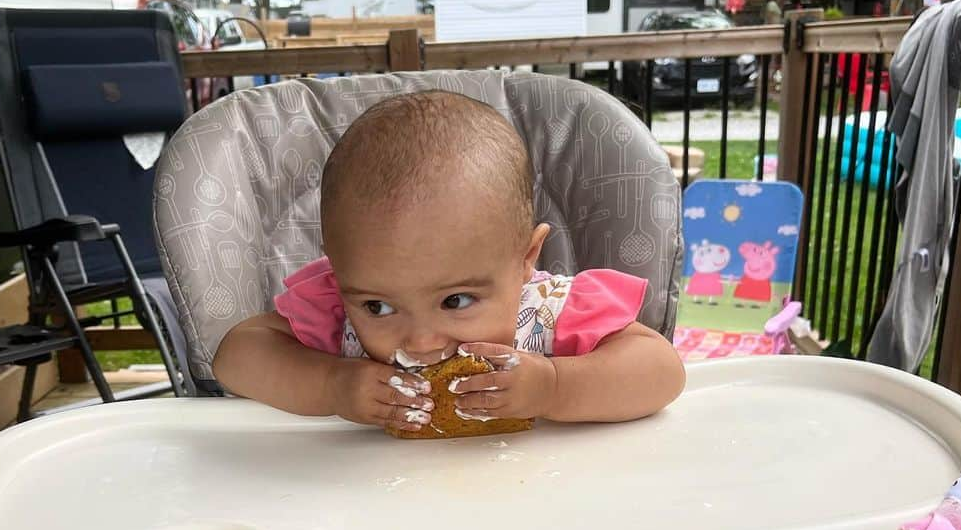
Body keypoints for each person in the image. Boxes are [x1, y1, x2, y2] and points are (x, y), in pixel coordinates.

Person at [213, 90, 685, 430]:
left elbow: (661, 370)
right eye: (378, 307)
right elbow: (236, 356)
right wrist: (332, 386)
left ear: (525, 260)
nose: (420, 341)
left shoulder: (550, 317)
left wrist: (555, 386)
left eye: (456, 300)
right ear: (340, 273)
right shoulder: (339, 318)